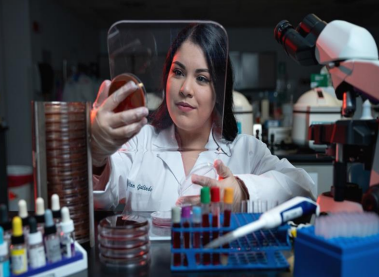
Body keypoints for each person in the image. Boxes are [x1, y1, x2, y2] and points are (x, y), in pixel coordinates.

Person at [91, 23, 316, 212]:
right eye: (178, 72)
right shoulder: (139, 141)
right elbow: (98, 198)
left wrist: (242, 192)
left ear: (219, 92)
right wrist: (97, 154)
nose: (185, 88)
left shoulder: (245, 151)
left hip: (218, 263)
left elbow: (305, 191)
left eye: (202, 78)